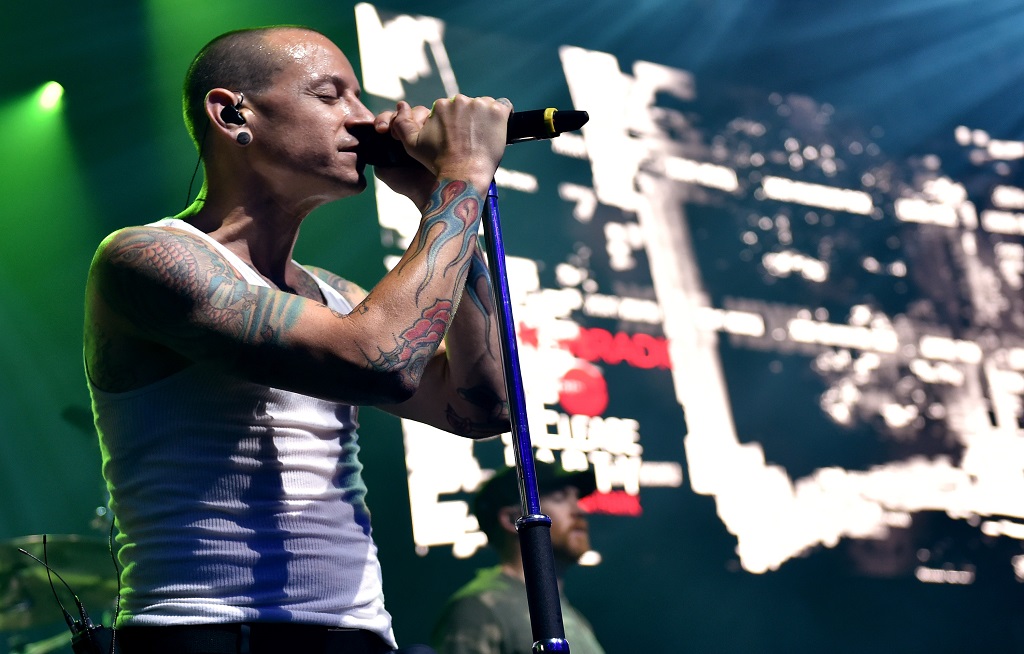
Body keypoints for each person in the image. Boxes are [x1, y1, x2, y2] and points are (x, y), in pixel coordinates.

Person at [83, 25, 512, 654]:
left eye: (358, 96)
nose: (363, 117)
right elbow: (380, 362)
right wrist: (463, 178)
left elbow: (483, 406)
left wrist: (439, 199)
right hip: (210, 630)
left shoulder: (336, 295)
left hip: (357, 631)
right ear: (232, 114)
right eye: (330, 95)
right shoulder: (148, 258)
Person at [431, 462, 606, 654]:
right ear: (511, 519)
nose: (580, 510)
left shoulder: (575, 618)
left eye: (577, 498)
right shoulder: (478, 608)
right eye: (559, 497)